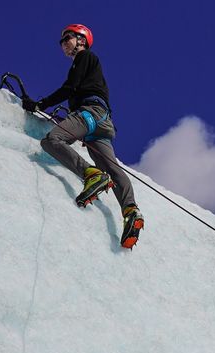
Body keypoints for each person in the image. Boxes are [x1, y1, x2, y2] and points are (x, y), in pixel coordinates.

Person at [22, 24, 144, 249]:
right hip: (101, 123)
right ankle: (131, 211)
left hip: (89, 114)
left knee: (52, 141)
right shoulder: (89, 62)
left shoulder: (85, 56)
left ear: (81, 40)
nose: (63, 44)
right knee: (113, 169)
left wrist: (40, 104)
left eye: (67, 38)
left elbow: (70, 87)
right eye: (62, 41)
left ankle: (91, 174)